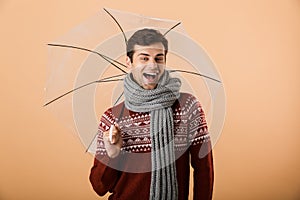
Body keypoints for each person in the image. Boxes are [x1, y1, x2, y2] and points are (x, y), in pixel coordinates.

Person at [89, 28, 214, 200]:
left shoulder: (187, 107)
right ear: (128, 62)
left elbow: (204, 169)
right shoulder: (113, 117)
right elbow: (100, 187)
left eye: (158, 59)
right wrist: (111, 155)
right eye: (144, 58)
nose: (153, 65)